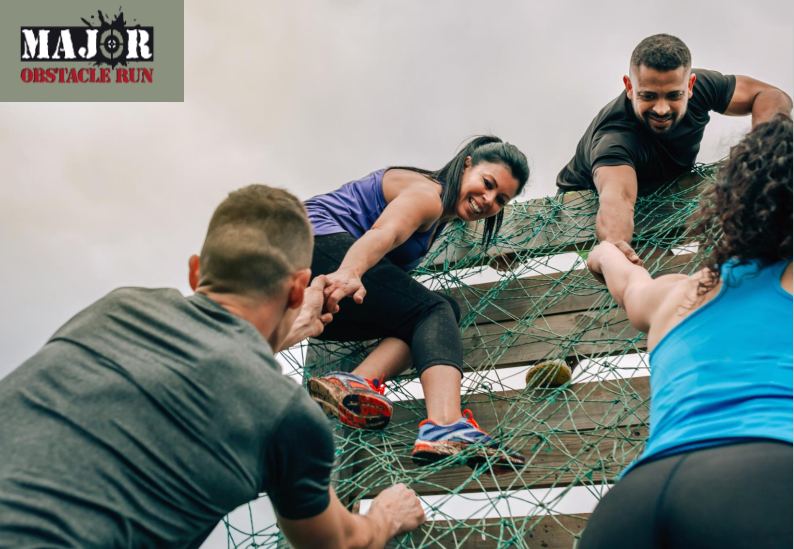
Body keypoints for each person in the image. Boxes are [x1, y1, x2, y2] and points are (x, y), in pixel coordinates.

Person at [0, 185, 425, 549]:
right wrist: (386, 516)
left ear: (196, 271)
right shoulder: (287, 415)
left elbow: (209, 347)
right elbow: (338, 541)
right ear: (299, 287)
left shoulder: (115, 308)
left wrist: (288, 326)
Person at [528, 33, 793, 388]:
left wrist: (764, 153)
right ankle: (567, 354)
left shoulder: (706, 87)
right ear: (628, 87)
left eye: (674, 95)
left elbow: (771, 95)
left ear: (691, 85)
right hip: (594, 198)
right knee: (640, 274)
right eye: (648, 96)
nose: (662, 108)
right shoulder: (615, 138)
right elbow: (617, 198)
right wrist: (616, 246)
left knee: (721, 251)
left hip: (669, 188)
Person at [579, 114, 792, 548]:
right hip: (760, 481)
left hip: (631, 504)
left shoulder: (678, 294)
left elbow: (621, 275)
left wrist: (603, 252)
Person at [304, 135, 530, 470]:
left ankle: (353, 384)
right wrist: (350, 271)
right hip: (311, 246)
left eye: (501, 199)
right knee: (434, 309)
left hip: (321, 286)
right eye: (487, 184)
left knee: (435, 314)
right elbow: (385, 232)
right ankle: (446, 424)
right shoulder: (429, 195)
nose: (488, 200)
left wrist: (493, 255)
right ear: (467, 163)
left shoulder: (443, 215)